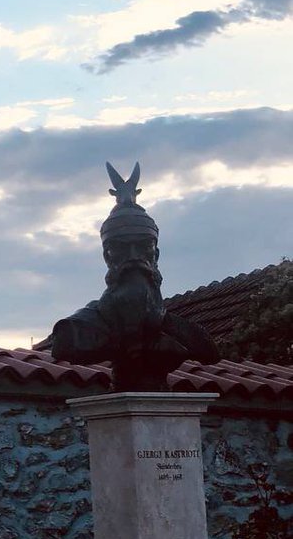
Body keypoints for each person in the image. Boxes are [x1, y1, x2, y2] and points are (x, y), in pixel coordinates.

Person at [45, 163, 219, 390]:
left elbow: (209, 353)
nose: (134, 257)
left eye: (143, 247)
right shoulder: (77, 331)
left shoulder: (185, 334)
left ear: (155, 255)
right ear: (107, 257)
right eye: (121, 248)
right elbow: (63, 347)